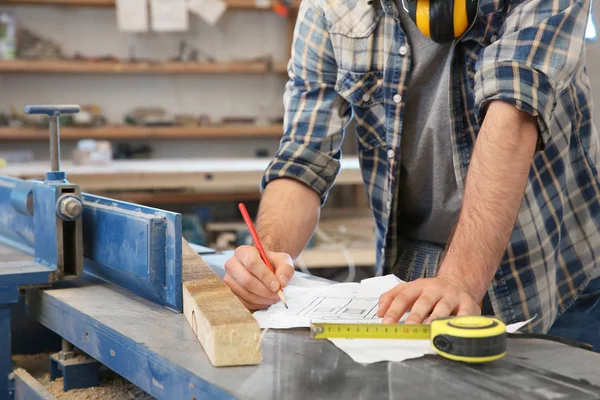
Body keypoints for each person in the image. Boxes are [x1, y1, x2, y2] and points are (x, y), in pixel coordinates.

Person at [224, 0, 600, 350]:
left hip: (553, 270)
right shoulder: (332, 6)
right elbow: (303, 156)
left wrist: (459, 280)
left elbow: (514, 114)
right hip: (415, 270)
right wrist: (268, 256)